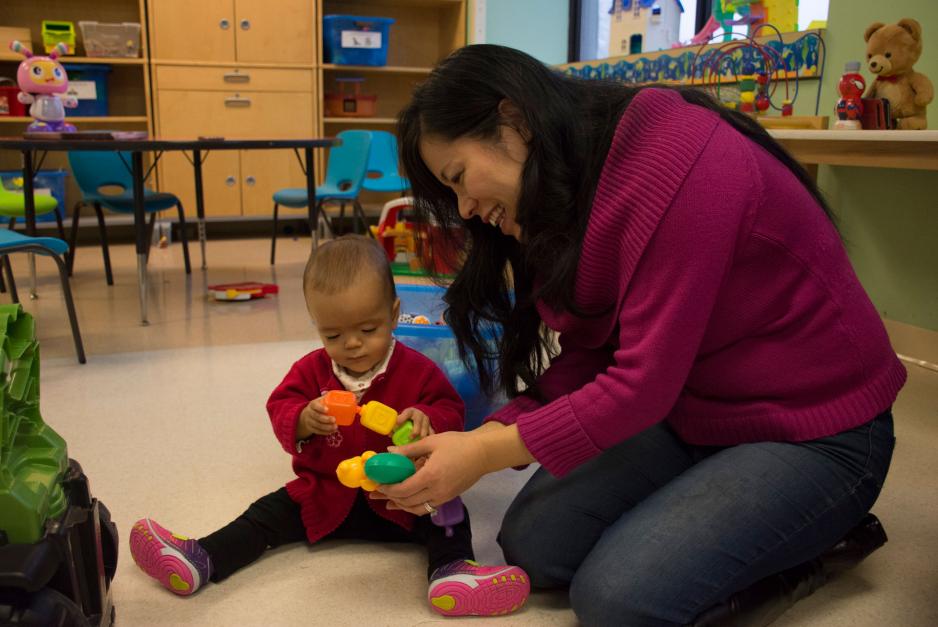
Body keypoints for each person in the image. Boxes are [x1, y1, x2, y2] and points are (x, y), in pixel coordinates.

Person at [373, 45, 906, 626]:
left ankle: (811, 550)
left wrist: (481, 451)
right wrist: (495, 432)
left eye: (458, 179)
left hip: (817, 431)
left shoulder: (687, 166)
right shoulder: (571, 191)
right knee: (536, 546)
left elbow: (639, 385)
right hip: (692, 412)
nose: (466, 208)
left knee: (618, 601)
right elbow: (593, 358)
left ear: (515, 121)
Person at [128, 235, 530, 617]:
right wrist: (303, 419)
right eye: (333, 334)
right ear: (316, 325)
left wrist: (428, 421)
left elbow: (449, 409)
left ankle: (452, 572)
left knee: (448, 510)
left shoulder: (418, 370)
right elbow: (280, 405)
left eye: (368, 330)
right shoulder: (310, 370)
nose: (352, 344)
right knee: (263, 515)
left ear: (393, 315)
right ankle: (202, 557)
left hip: (403, 498)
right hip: (324, 493)